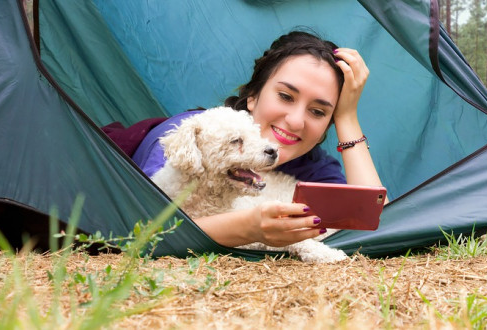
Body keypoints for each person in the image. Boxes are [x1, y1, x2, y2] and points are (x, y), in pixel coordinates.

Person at [131, 30, 384, 248]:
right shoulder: (197, 136)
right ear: (252, 96)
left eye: (318, 112)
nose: (296, 121)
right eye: (285, 96)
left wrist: (348, 116)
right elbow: (143, 228)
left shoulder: (313, 167)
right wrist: (248, 227)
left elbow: (376, 224)